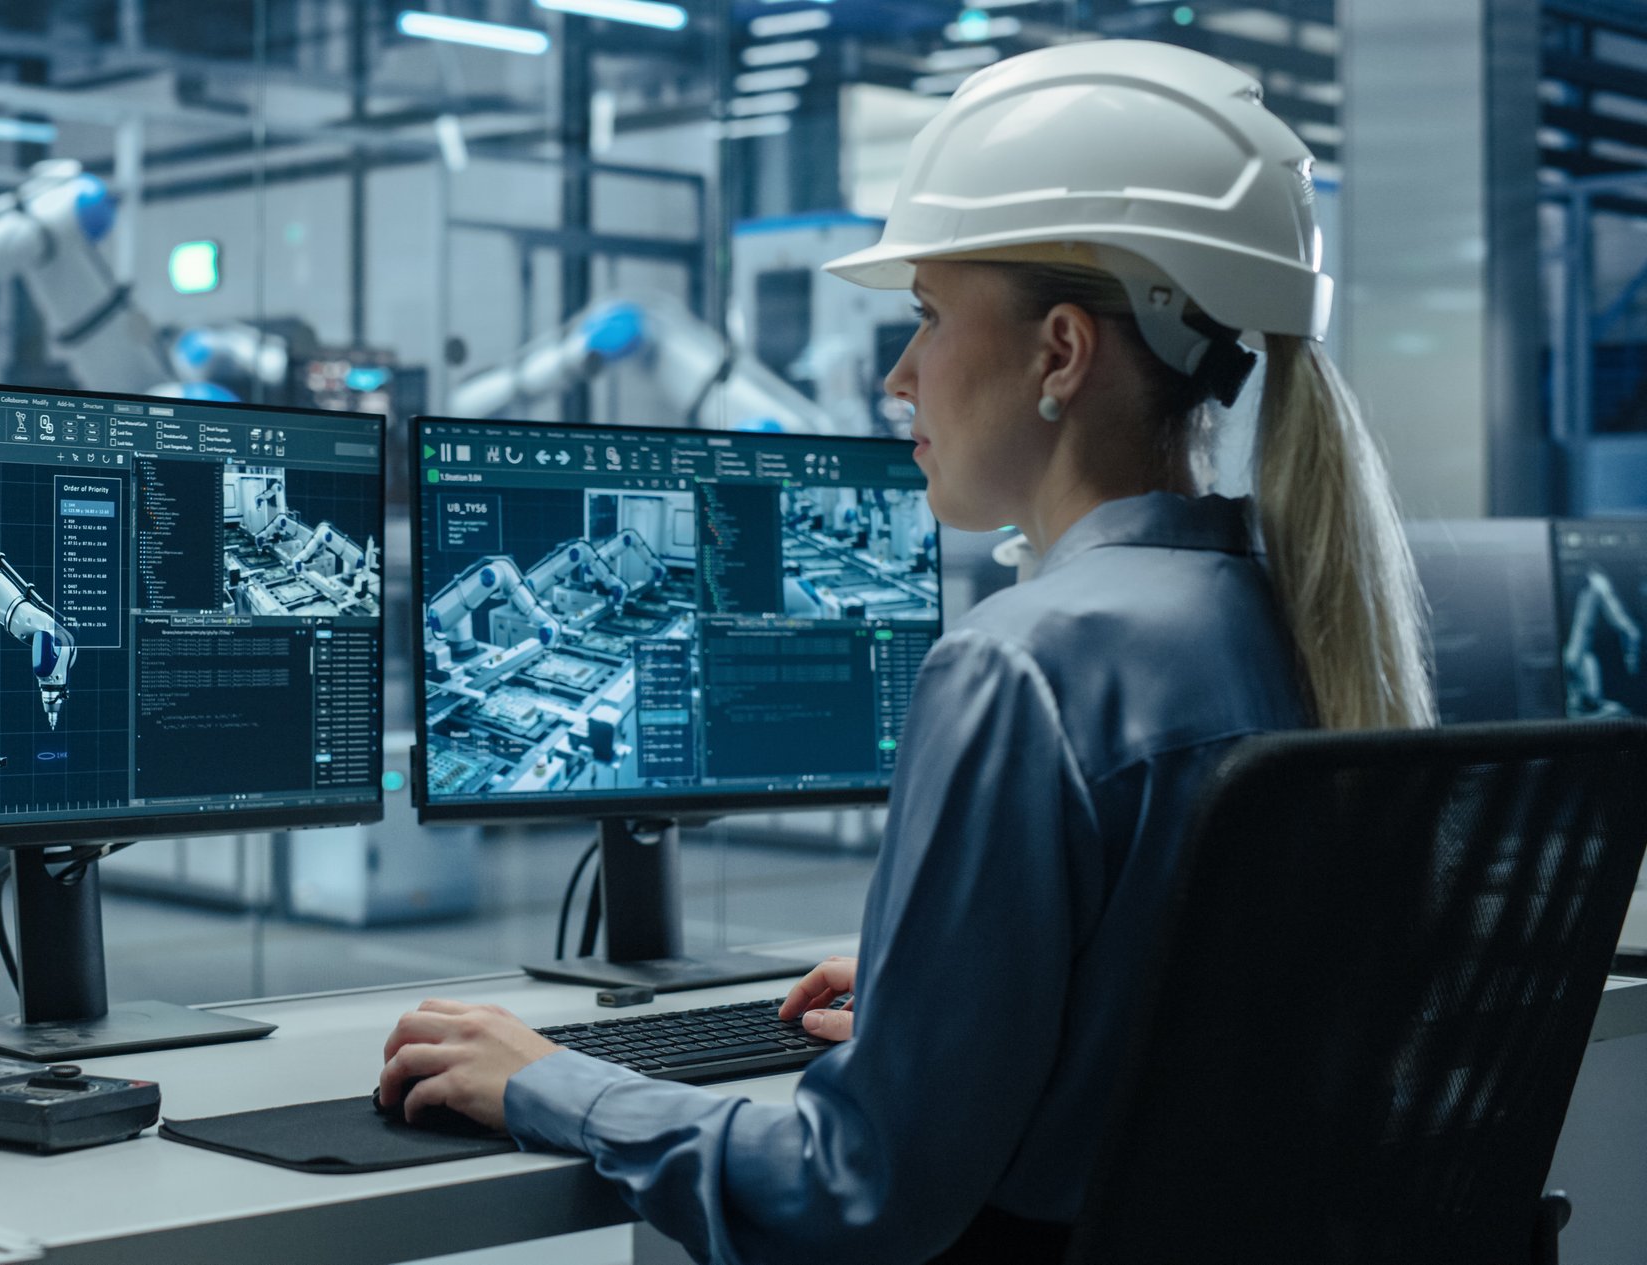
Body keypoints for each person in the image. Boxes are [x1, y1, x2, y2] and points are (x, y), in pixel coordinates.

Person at [376, 40, 1436, 1265]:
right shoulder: (1293, 620)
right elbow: (1194, 1023)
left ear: (1060, 354)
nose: (897, 373)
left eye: (928, 316)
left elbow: (856, 1193)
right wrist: (947, 1001)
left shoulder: (1022, 666)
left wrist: (549, 1080)